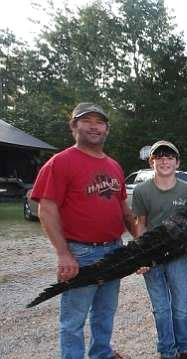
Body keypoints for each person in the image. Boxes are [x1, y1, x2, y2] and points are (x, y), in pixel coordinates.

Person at [30, 102, 133, 359]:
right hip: (80, 253)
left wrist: (141, 241)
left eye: (100, 122)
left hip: (114, 250)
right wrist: (64, 254)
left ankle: (101, 354)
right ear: (74, 126)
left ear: (107, 129)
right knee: (73, 320)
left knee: (105, 312)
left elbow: (124, 208)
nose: (94, 127)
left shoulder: (114, 166)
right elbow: (47, 209)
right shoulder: (60, 163)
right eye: (87, 121)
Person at [132, 140, 187, 359]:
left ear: (177, 162)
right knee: (161, 308)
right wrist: (140, 256)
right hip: (152, 258)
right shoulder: (141, 191)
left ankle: (185, 348)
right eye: (159, 157)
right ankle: (167, 350)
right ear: (152, 162)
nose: (165, 161)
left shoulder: (186, 190)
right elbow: (141, 224)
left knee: (182, 306)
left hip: (178, 257)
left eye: (169, 157)